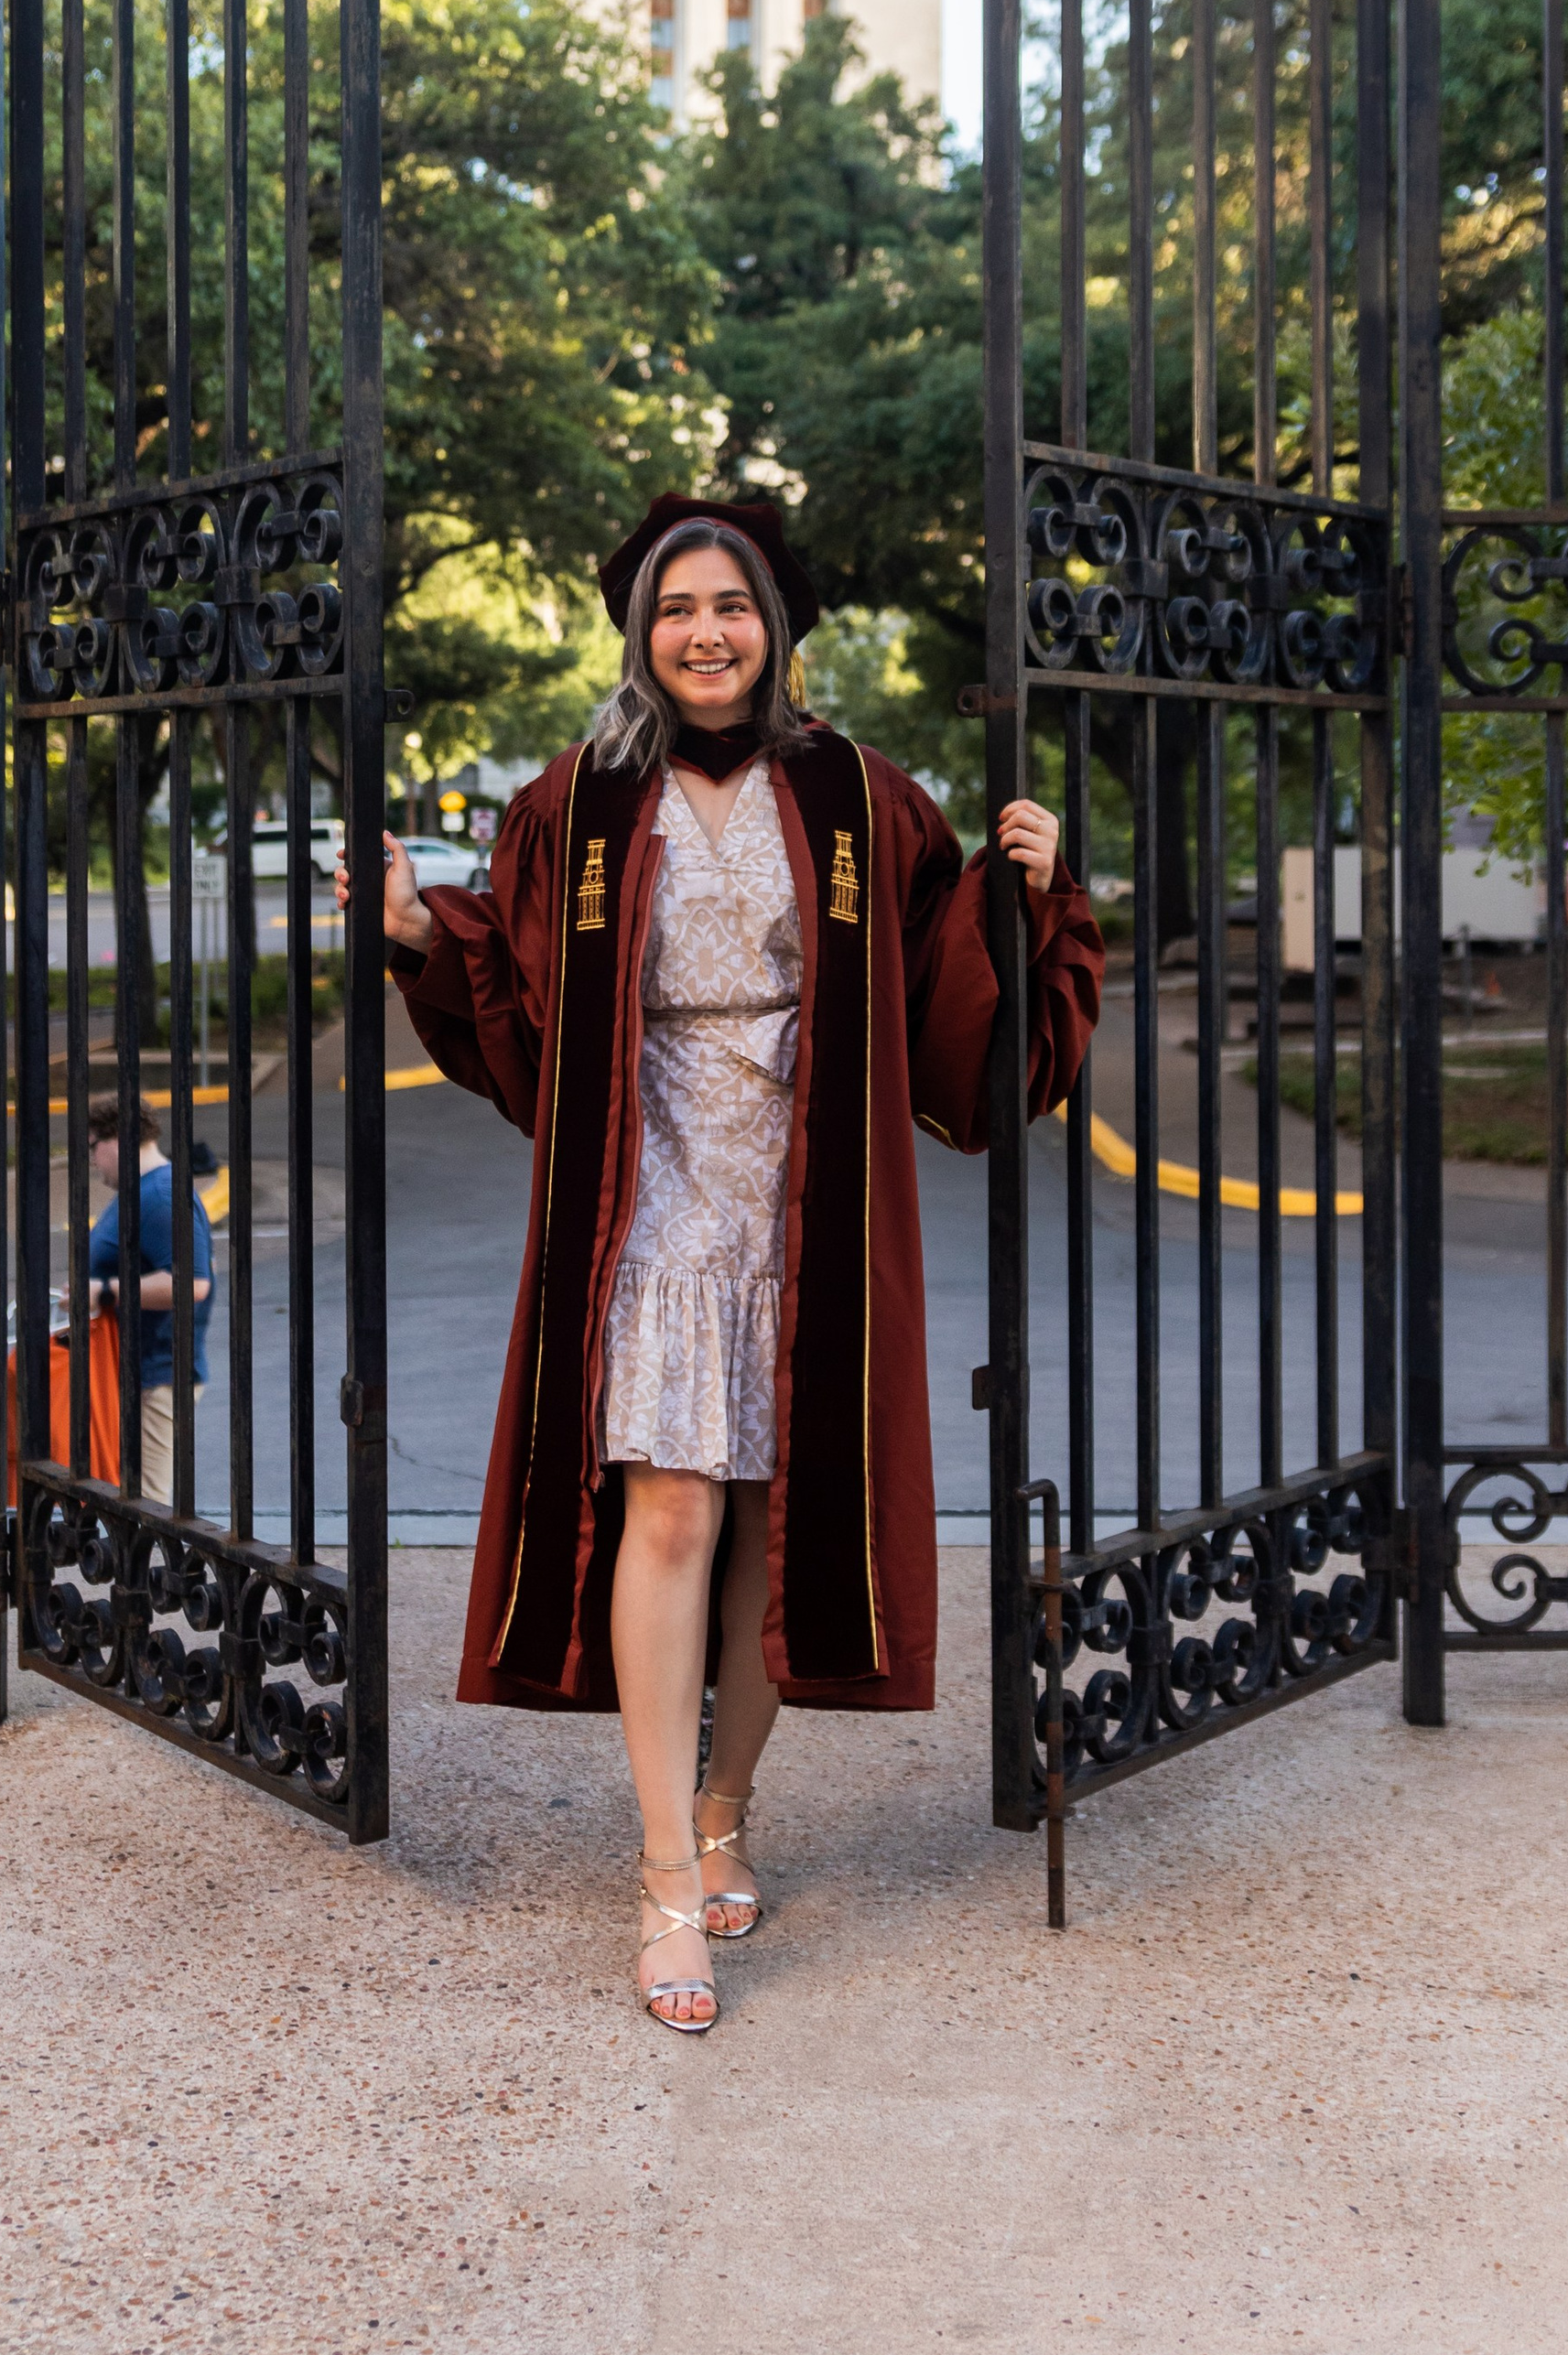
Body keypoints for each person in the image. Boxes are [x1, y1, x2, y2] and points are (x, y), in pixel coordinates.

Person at [366, 494, 1102, 2035]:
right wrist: (422, 938)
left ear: (776, 626)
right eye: (679, 608)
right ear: (640, 629)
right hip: (648, 1187)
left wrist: (1018, 893)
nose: (707, 633)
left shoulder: (860, 794)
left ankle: (723, 1805)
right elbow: (516, 1004)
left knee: (773, 1507)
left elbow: (941, 998)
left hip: (808, 1183)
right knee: (671, 1500)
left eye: (735, 607)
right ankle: (656, 1878)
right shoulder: (576, 798)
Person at [82, 1094, 212, 1507]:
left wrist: (105, 1290)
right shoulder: (140, 1190)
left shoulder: (159, 1195)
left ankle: (142, 1574)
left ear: (116, 1139)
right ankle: (130, 1572)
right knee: (127, 1496)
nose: (91, 1160)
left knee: (146, 1505)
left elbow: (191, 1284)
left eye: (91, 1148)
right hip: (133, 1369)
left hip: (158, 1375)